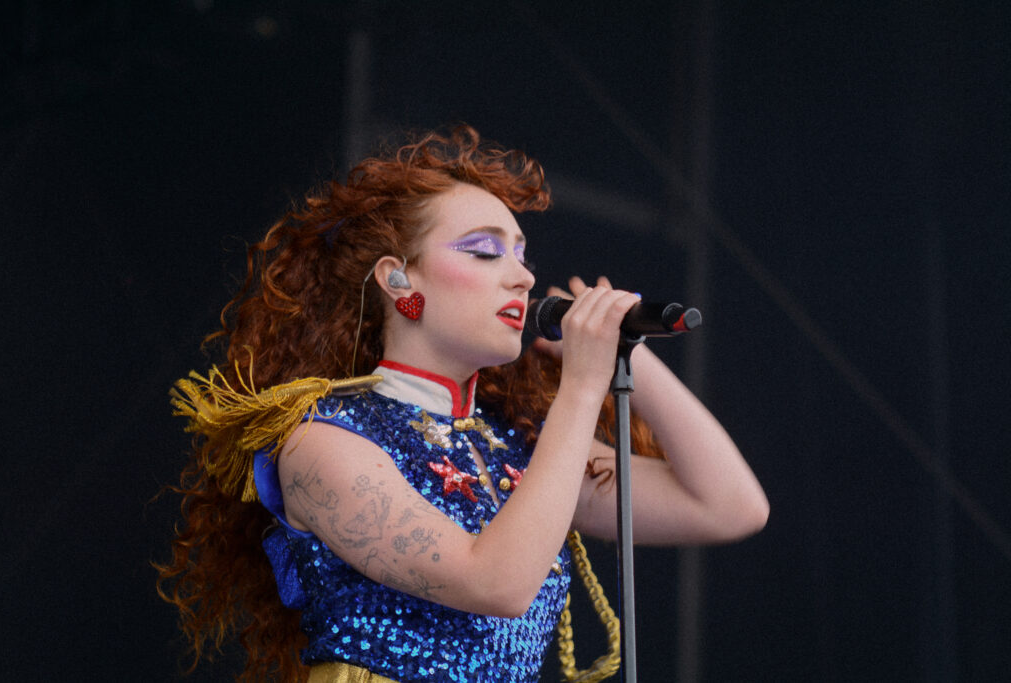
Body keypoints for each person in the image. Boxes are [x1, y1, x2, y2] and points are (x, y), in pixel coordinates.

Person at [157, 125, 769, 683]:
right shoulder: (324, 441)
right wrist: (581, 387)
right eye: (484, 251)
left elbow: (728, 506)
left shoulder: (516, 445)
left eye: (522, 254)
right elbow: (497, 582)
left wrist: (627, 358)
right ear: (400, 281)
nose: (523, 277)